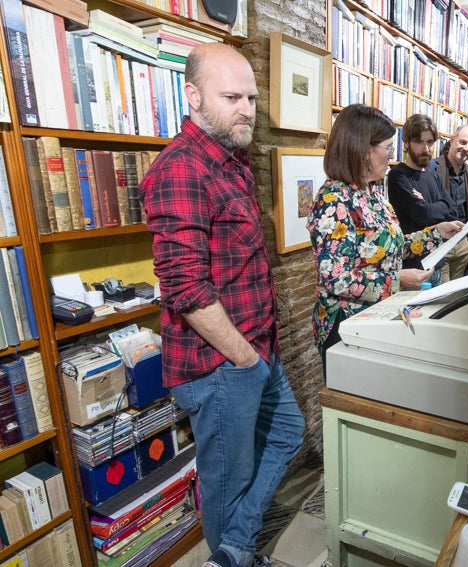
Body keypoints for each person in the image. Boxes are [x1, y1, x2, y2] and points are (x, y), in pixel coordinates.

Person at [139, 43, 305, 567]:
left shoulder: (230, 157)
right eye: (231, 96)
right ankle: (233, 554)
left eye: (251, 97)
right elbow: (186, 289)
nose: (248, 109)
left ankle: (232, 551)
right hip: (220, 363)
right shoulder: (180, 169)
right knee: (226, 484)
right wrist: (245, 359)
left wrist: (256, 356)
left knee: (289, 433)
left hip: (253, 349)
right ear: (192, 96)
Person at [308, 104, 462, 371]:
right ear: (363, 148)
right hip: (346, 325)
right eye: (389, 148)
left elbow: (390, 248)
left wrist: (436, 233)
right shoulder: (333, 200)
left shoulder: (372, 193)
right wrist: (397, 279)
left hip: (376, 316)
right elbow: (335, 279)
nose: (392, 156)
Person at [387, 114, 455, 279]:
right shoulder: (398, 175)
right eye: (419, 142)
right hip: (413, 268)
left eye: (430, 142)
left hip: (437, 261)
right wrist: (438, 207)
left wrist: (426, 205)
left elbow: (452, 210)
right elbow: (422, 215)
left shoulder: (433, 175)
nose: (426, 149)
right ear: (406, 143)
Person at [431, 124, 468, 281]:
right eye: (463, 142)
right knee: (441, 297)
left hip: (463, 245)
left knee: (457, 297)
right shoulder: (432, 168)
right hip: (440, 245)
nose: (466, 148)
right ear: (452, 140)